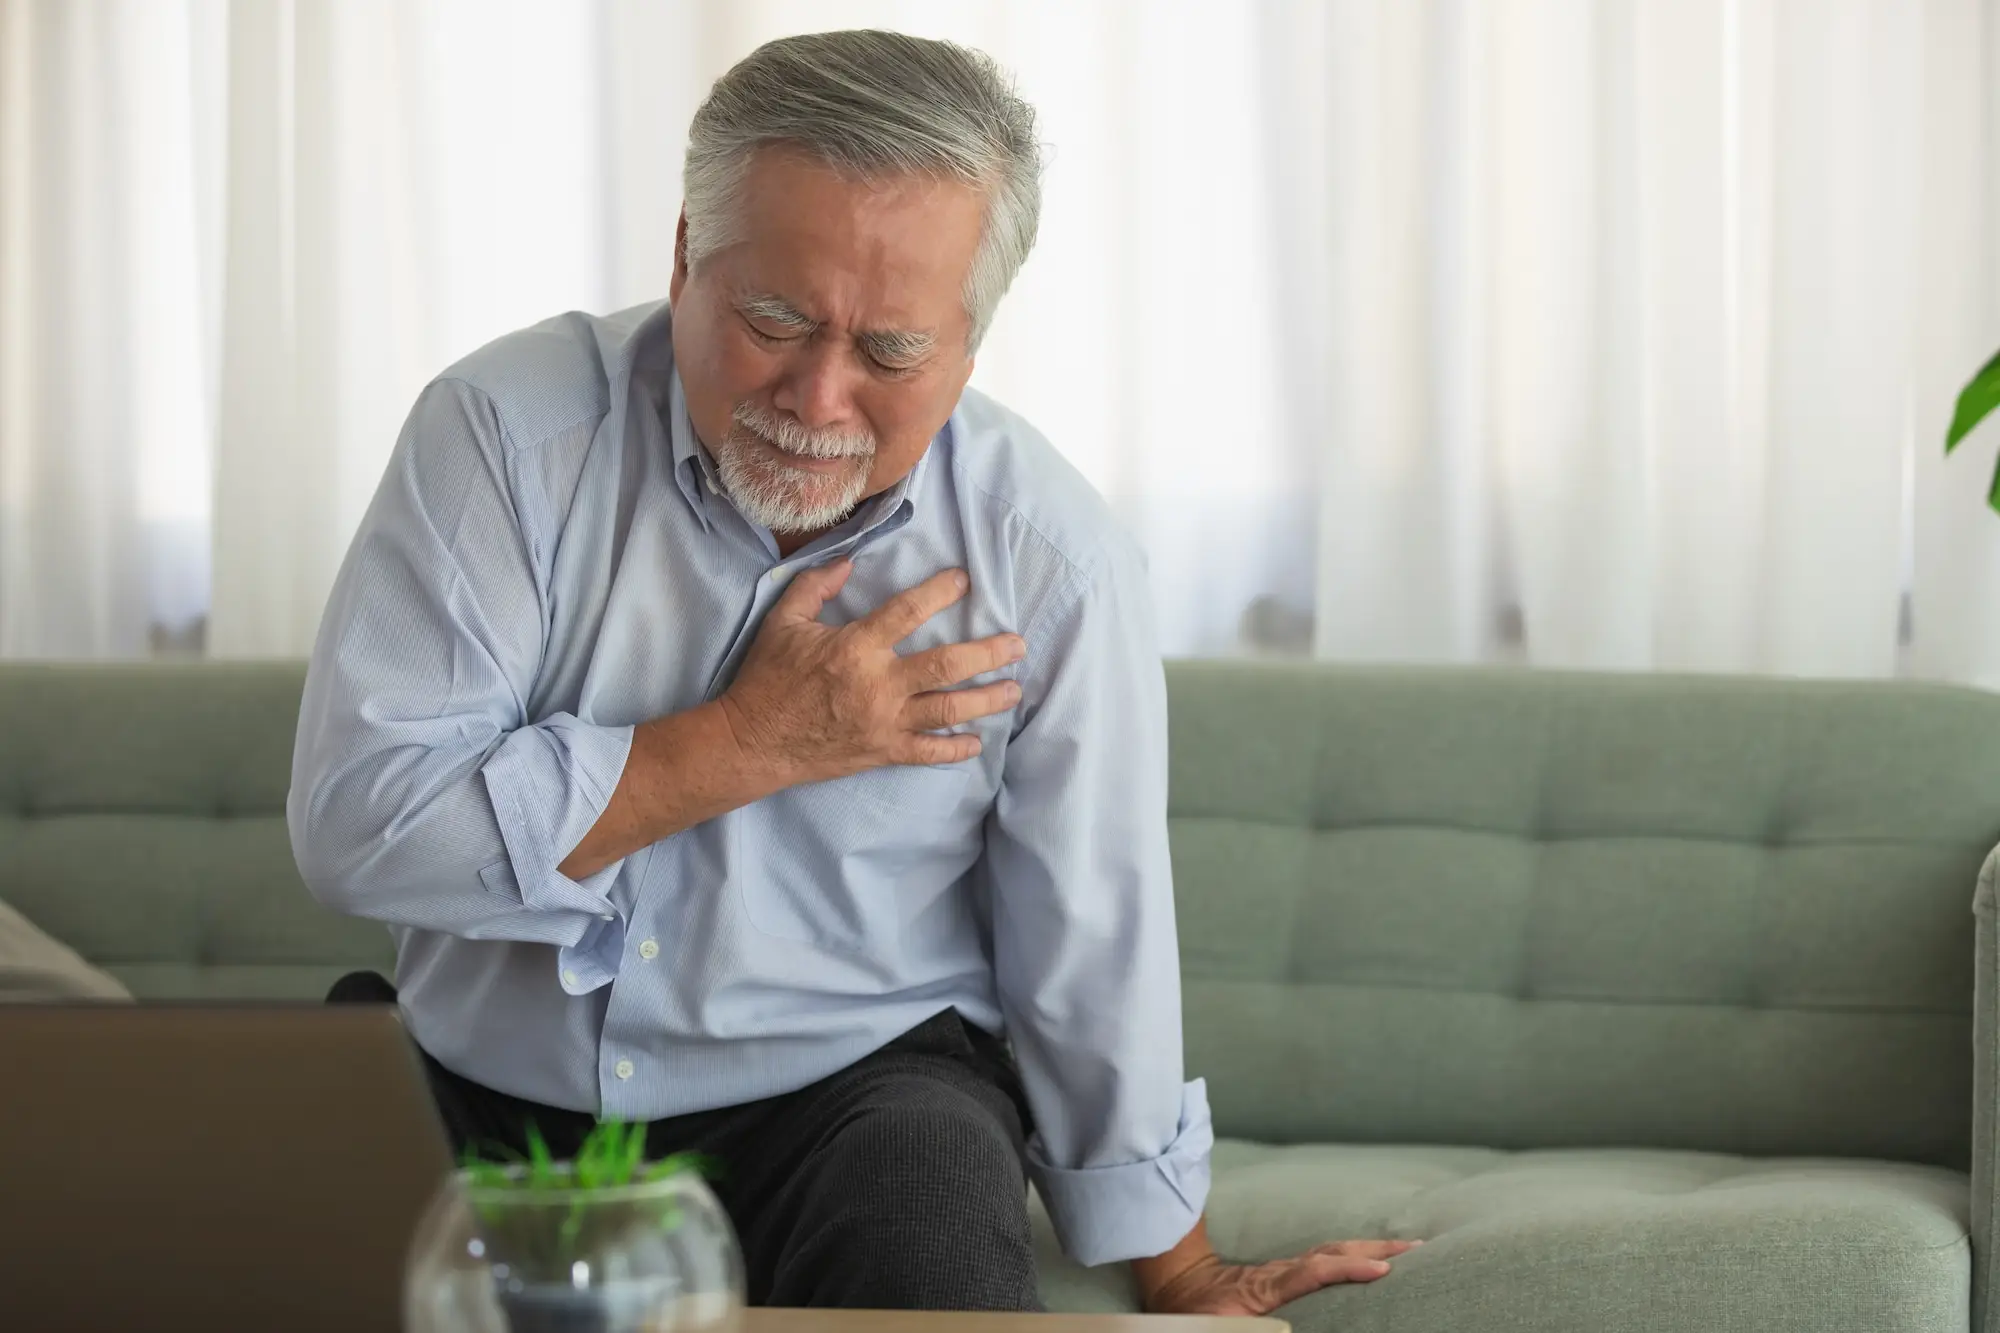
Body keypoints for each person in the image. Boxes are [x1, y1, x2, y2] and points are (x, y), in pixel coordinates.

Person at [291, 28, 1416, 1317]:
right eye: (774, 319)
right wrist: (750, 741)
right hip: (481, 1096)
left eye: (891, 351)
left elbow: (1087, 931)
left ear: (971, 338)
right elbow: (361, 831)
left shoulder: (1051, 561)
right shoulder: (502, 438)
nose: (820, 398)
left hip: (854, 1101)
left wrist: (1178, 1265)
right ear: (681, 261)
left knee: (927, 1190)